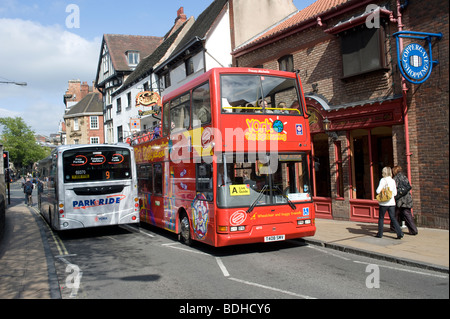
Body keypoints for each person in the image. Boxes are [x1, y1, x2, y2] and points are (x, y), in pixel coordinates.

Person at [375, 167, 403, 239]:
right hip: (391, 203)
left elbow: (378, 191)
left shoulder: (383, 180)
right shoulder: (392, 181)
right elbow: (395, 193)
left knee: (381, 218)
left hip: (383, 203)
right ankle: (399, 233)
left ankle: (380, 234)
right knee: (393, 218)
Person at [392, 165, 418, 235]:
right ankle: (413, 230)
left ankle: (395, 228)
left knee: (395, 214)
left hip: (400, 200)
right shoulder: (404, 177)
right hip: (407, 199)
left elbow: (395, 189)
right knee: (407, 214)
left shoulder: (395, 179)